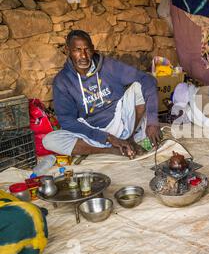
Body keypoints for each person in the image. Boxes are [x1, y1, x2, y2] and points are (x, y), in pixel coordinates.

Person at [43, 30, 161, 159]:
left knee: (140, 86)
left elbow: (148, 80)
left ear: (93, 49)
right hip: (93, 132)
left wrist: (153, 122)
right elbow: (67, 121)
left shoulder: (108, 65)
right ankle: (111, 150)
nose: (83, 56)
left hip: (122, 123)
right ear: (67, 50)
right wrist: (107, 138)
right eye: (77, 50)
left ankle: (130, 139)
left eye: (87, 50)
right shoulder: (63, 81)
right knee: (49, 140)